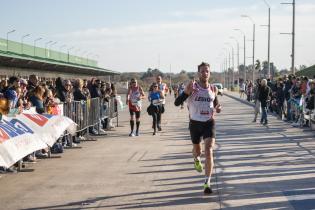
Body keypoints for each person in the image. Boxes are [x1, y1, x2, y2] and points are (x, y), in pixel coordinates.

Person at [174, 62, 221, 194]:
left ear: (209, 73)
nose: (205, 73)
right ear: (198, 73)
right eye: (202, 71)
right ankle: (196, 159)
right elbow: (177, 103)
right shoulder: (192, 87)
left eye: (207, 71)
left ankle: (207, 182)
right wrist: (186, 93)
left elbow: (216, 103)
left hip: (209, 122)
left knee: (209, 149)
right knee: (197, 149)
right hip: (195, 123)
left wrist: (218, 108)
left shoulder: (213, 89)